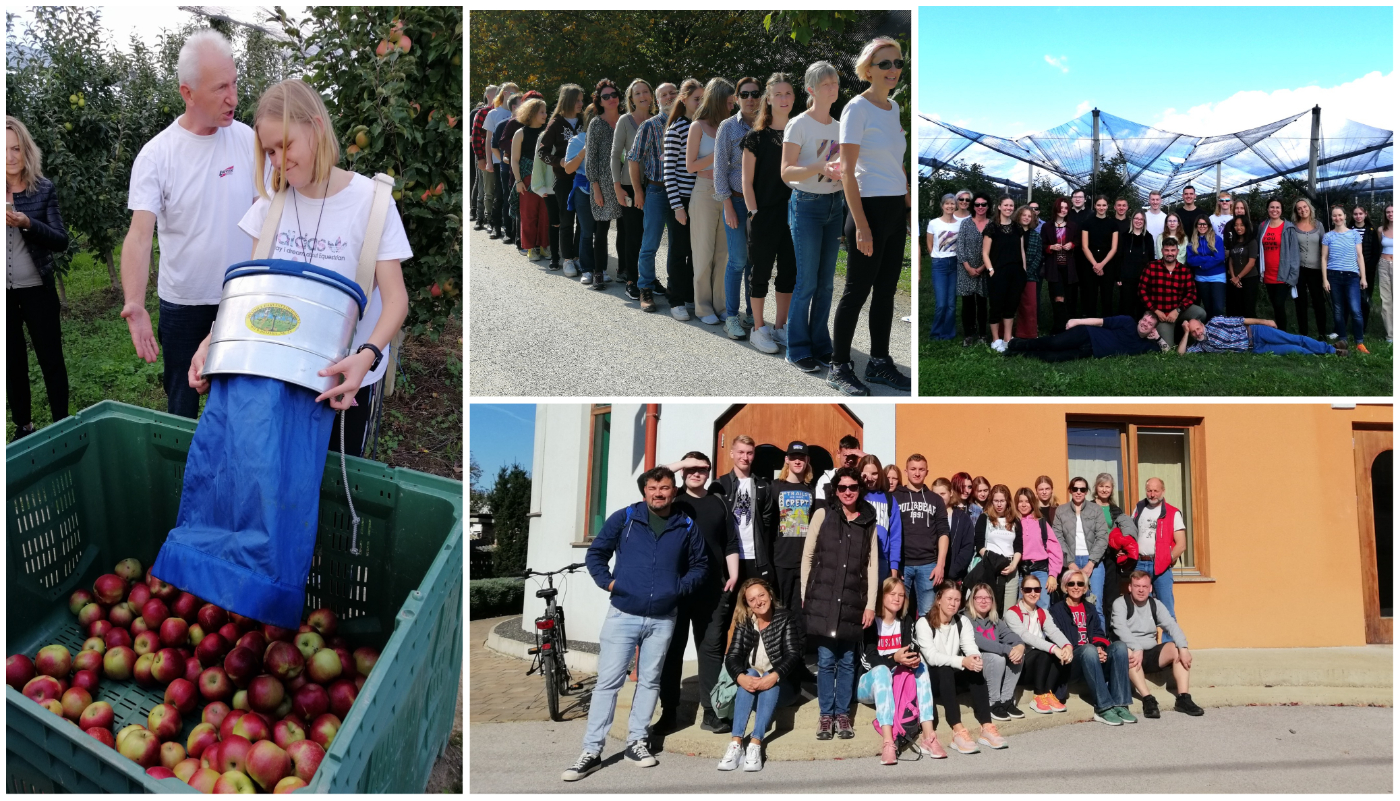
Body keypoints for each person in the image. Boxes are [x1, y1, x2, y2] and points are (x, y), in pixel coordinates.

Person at [187, 79, 410, 458]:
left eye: (285, 145)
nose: (277, 160)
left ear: (317, 128)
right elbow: (249, 294)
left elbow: (396, 300)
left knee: (335, 487)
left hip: (343, 383)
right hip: (276, 375)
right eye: (269, 151)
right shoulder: (272, 205)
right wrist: (214, 341)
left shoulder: (372, 203)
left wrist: (367, 355)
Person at [121, 30, 256, 420]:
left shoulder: (247, 141)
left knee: (236, 398)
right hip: (182, 303)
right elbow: (139, 234)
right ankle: (182, 473)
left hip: (238, 299)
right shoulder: (157, 155)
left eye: (234, 82)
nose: (233, 97)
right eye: (220, 88)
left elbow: (267, 218)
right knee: (182, 401)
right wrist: (134, 301)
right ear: (188, 93)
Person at [563, 466, 708, 781]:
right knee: (608, 683)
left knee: (649, 682)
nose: (659, 493)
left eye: (665, 488)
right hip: (623, 614)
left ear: (674, 490)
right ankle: (591, 750)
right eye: (654, 488)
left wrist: (678, 589)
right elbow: (596, 554)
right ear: (645, 491)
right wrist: (610, 584)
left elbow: (700, 564)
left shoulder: (685, 524)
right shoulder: (625, 518)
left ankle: (636, 742)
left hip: (663, 617)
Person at [831, 36, 911, 394]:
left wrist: (907, 206)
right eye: (885, 64)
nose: (893, 70)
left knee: (886, 292)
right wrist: (860, 225)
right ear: (868, 70)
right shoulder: (856, 109)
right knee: (856, 292)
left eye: (898, 63)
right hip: (868, 210)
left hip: (894, 209)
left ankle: (879, 362)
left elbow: (898, 163)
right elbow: (846, 171)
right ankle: (839, 366)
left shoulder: (893, 109)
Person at [658, 452, 739, 736]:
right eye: (691, 468)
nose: (696, 473)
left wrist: (734, 574)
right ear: (681, 472)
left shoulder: (718, 503)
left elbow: (730, 541)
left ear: (709, 473)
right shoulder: (672, 500)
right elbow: (652, 478)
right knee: (673, 651)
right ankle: (669, 713)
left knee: (710, 651)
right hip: (676, 590)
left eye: (702, 468)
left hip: (712, 591)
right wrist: (682, 463)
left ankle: (712, 712)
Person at [801, 466, 879, 741]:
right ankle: (826, 715)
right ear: (835, 489)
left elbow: (872, 565)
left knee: (847, 660)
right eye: (843, 487)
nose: (848, 492)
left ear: (860, 489)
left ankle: (843, 714)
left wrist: (871, 604)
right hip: (823, 598)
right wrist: (804, 593)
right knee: (825, 659)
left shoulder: (868, 521)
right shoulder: (823, 514)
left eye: (853, 487)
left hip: (852, 600)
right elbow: (808, 556)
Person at [6, 115, 70, 439]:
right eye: (4, 150)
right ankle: (24, 426)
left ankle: (61, 424)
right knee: (11, 362)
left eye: (16, 148)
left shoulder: (42, 189)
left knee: (51, 359)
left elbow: (61, 239)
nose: (10, 157)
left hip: (37, 289)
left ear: (26, 150)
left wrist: (27, 223)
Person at [782, 61, 845, 373]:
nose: (833, 88)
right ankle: (797, 348)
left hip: (835, 205)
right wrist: (819, 167)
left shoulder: (840, 126)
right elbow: (786, 171)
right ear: (811, 89)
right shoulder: (799, 125)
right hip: (806, 205)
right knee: (806, 281)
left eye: (835, 83)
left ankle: (821, 344)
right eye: (826, 84)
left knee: (826, 283)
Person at [720, 578, 805, 772]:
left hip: (783, 687)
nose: (758, 601)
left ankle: (755, 744)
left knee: (768, 676)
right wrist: (740, 677)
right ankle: (736, 744)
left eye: (761, 595)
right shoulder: (745, 622)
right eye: (752, 599)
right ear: (747, 603)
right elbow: (732, 657)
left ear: (770, 595)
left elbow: (793, 655)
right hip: (753, 686)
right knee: (748, 672)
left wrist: (774, 675)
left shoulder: (785, 617)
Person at [858, 578, 943, 763]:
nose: (897, 598)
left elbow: (910, 649)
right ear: (882, 596)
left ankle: (929, 735)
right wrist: (894, 659)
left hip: (897, 683)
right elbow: (867, 660)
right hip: (868, 684)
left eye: (901, 595)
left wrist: (913, 658)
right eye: (892, 594)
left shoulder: (906, 621)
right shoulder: (870, 622)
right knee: (881, 671)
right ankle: (889, 741)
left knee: (921, 667)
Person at [741, 73, 797, 354]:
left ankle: (781, 327)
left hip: (795, 215)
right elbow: (746, 181)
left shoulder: (801, 135)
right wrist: (754, 212)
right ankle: (758, 328)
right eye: (778, 94)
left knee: (789, 273)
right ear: (769, 99)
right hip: (764, 215)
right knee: (760, 273)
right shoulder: (756, 137)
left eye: (788, 93)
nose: (783, 99)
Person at [915, 581, 1006, 753]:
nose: (953, 603)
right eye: (949, 598)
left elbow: (970, 646)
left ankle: (986, 727)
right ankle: (957, 730)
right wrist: (962, 661)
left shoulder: (962, 621)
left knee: (974, 669)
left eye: (957, 600)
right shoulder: (923, 623)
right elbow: (932, 658)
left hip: (952, 676)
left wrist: (974, 659)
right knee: (945, 669)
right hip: (931, 680)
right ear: (939, 599)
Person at [1048, 568, 1135, 725]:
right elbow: (1057, 639)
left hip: (1093, 656)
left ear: (1085, 588)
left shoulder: (1090, 608)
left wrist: (1100, 647)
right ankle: (1103, 708)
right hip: (1072, 663)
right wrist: (1092, 649)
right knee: (1088, 650)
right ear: (1064, 587)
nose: (1076, 587)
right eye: (1071, 583)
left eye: (1080, 583)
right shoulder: (1056, 611)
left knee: (1120, 647)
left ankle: (1121, 704)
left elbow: (1098, 633)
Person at [1112, 570, 1203, 718]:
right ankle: (1148, 699)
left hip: (1151, 652)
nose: (1141, 590)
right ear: (1130, 587)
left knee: (1176, 649)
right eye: (1137, 586)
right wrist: (1137, 647)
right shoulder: (1120, 603)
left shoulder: (1156, 604)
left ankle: (1183, 698)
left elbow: (1171, 625)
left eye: (1144, 586)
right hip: (1131, 653)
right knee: (1126, 650)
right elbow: (1120, 629)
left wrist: (1183, 647)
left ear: (1150, 588)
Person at [629, 81, 684, 313]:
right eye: (664, 94)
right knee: (650, 242)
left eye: (673, 93)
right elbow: (633, 159)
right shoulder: (650, 126)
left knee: (677, 244)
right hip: (656, 190)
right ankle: (645, 287)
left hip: (682, 191)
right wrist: (638, 191)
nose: (669, 97)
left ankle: (675, 288)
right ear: (657, 99)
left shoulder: (687, 123)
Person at [715, 76, 761, 339]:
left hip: (761, 206)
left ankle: (753, 313)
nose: (751, 98)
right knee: (738, 260)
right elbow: (720, 168)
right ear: (736, 98)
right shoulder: (727, 127)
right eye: (745, 94)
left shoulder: (768, 125)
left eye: (755, 93)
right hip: (735, 200)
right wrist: (728, 205)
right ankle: (731, 316)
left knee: (755, 262)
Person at [686, 78, 734, 326]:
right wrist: (718, 154)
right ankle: (703, 307)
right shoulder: (698, 127)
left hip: (726, 191)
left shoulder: (729, 126)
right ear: (717, 101)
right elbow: (690, 165)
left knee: (723, 253)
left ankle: (721, 306)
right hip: (704, 191)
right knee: (703, 252)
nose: (732, 106)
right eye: (728, 102)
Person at [710, 435, 778, 586]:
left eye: (749, 453)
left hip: (755, 556)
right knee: (729, 605)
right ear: (732, 453)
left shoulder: (762, 486)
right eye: (741, 452)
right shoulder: (719, 485)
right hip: (728, 557)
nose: (745, 457)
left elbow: (766, 520)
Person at [663, 79, 704, 319]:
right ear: (684, 99)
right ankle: (675, 299)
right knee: (679, 251)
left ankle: (690, 296)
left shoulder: (701, 126)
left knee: (694, 251)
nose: (699, 103)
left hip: (699, 199)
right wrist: (678, 207)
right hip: (681, 200)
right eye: (696, 98)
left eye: (702, 99)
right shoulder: (677, 128)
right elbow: (669, 172)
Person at [610, 80, 656, 298]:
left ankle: (649, 277)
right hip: (629, 185)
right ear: (631, 99)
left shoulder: (659, 120)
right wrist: (617, 187)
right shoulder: (625, 121)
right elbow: (615, 154)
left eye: (646, 91)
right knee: (633, 234)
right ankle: (632, 278)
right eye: (637, 93)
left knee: (651, 235)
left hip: (655, 184)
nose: (642, 95)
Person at [1004, 575, 1073, 714]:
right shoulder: (1012, 613)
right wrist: (1054, 649)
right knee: (1045, 652)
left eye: (1036, 589)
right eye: (1028, 589)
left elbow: (1053, 631)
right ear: (1022, 591)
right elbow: (1025, 636)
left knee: (1057, 653)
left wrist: (1067, 646)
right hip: (1020, 664)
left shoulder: (1043, 612)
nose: (1033, 593)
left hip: (1040, 664)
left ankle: (1048, 693)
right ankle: (1038, 695)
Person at [893, 454, 950, 616]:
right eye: (913, 469)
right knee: (899, 612)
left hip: (928, 565)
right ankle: (903, 641)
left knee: (928, 613)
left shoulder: (935, 500)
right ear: (906, 471)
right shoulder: (896, 496)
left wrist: (940, 565)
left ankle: (923, 642)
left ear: (927, 472)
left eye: (921, 469)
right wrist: (894, 565)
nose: (917, 473)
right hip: (902, 564)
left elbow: (943, 533)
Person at [1131, 477, 1185, 643]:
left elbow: (1181, 544)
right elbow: (1130, 533)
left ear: (1163, 491)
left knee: (1166, 609)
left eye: (1156, 490)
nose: (1152, 494)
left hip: (1161, 565)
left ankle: (1169, 650)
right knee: (1139, 608)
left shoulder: (1173, 512)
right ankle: (1143, 647)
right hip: (1140, 563)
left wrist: (1166, 560)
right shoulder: (1139, 508)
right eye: (1149, 490)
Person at [583, 80, 625, 290]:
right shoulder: (596, 124)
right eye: (605, 96)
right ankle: (598, 272)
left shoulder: (627, 120)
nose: (611, 99)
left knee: (626, 230)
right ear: (599, 101)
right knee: (601, 229)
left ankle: (623, 270)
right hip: (604, 184)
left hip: (626, 182)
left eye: (613, 94)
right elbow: (590, 159)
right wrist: (596, 187)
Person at [538, 84, 584, 272]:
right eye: (578, 100)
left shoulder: (584, 120)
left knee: (583, 221)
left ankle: (578, 255)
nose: (581, 103)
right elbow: (542, 152)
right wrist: (560, 161)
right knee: (566, 220)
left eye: (582, 100)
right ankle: (567, 259)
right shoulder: (555, 123)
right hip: (564, 180)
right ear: (568, 101)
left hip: (583, 178)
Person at [964, 582, 1026, 720]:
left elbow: (1009, 635)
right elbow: (979, 641)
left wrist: (1020, 646)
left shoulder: (995, 619)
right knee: (998, 657)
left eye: (987, 598)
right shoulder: (965, 618)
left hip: (992, 664)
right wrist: (1008, 649)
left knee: (1018, 654)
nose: (984, 601)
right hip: (974, 664)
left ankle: (1006, 700)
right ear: (972, 600)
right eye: (979, 597)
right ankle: (993, 702)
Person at [1005, 312, 1167, 362]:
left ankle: (1017, 354)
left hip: (1089, 351)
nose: (1145, 324)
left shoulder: (1146, 345)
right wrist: (1077, 321)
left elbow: (1170, 353)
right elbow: (1100, 322)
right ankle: (1017, 344)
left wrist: (1158, 338)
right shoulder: (1127, 322)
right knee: (1054, 342)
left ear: (1153, 329)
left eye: (1150, 324)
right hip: (1087, 334)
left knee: (1052, 357)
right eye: (1144, 319)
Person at [1050, 476, 1107, 614]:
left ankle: (1096, 636)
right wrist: (1070, 562)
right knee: (1071, 603)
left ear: (1087, 491)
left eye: (1082, 489)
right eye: (1075, 489)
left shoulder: (1096, 510)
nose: (1078, 492)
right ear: (1070, 490)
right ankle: (1074, 635)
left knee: (1095, 603)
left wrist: (1091, 562)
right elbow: (1057, 538)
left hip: (1094, 562)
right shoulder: (1061, 511)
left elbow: (1102, 537)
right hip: (1071, 559)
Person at [771, 441, 816, 611]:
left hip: (804, 561)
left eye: (801, 458)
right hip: (781, 560)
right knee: (780, 610)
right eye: (793, 457)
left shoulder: (812, 489)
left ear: (807, 461)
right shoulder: (775, 487)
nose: (797, 461)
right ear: (786, 460)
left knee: (800, 613)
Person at [1138, 237, 1206, 348]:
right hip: (1161, 315)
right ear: (1162, 251)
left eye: (1173, 250)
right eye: (1167, 250)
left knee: (1201, 313)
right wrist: (1155, 310)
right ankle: (1170, 334)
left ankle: (1187, 337)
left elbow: (1192, 293)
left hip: (1178, 311)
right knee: (1167, 345)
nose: (1170, 253)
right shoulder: (1151, 267)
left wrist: (1178, 310)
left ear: (1177, 251)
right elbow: (1142, 291)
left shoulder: (1184, 270)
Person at [981, 196, 1027, 353]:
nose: (1009, 208)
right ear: (999, 207)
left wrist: (1024, 270)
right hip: (998, 272)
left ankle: (1008, 338)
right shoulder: (992, 228)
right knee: (996, 306)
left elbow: (1021, 251)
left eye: (1011, 205)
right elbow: (985, 253)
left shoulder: (1017, 228)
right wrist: (991, 270)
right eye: (1006, 205)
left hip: (1016, 273)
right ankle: (995, 339)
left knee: (1011, 305)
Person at [1089, 473, 1137, 617]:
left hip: (1111, 556)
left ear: (1112, 489)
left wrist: (1122, 550)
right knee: (1095, 596)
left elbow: (1121, 532)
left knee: (1112, 595)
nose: (1104, 489)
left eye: (1107, 487)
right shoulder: (1088, 507)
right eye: (1101, 486)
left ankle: (1111, 634)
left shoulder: (1116, 510)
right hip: (1094, 556)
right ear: (1096, 488)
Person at [968, 484, 1021, 614]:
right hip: (990, 566)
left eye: (1002, 501)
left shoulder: (1015, 520)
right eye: (996, 501)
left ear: (1007, 501)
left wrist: (1014, 565)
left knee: (1009, 611)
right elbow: (979, 544)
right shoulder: (984, 518)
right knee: (991, 608)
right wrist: (993, 560)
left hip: (1011, 567)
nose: (999, 504)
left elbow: (1019, 546)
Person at [1323, 205, 1369, 353]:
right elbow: (1323, 258)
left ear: (1345, 216)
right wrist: (1325, 279)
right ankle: (1342, 339)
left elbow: (1360, 256)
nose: (1337, 218)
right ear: (1332, 218)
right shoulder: (1328, 236)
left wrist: (1363, 277)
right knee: (1338, 310)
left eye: (1340, 215)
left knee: (1356, 310)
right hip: (1334, 276)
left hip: (1351, 276)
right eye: (1334, 216)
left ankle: (1359, 341)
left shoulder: (1354, 234)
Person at [509, 98, 551, 260]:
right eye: (542, 111)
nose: (545, 114)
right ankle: (530, 248)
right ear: (532, 113)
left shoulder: (547, 132)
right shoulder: (520, 133)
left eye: (545, 111)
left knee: (545, 213)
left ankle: (543, 246)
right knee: (528, 215)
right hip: (526, 178)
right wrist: (518, 181)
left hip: (545, 177)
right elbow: (514, 159)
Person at [1179, 315, 1341, 356]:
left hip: (1256, 332)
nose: (1197, 333)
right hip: (1255, 348)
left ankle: (1331, 350)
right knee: (1294, 349)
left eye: (1197, 328)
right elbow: (1181, 354)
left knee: (1294, 339)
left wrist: (1265, 322)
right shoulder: (1201, 346)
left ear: (1202, 325)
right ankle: (1319, 353)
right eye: (1193, 332)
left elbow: (1242, 320)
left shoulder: (1215, 322)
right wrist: (1186, 332)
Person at [482, 82, 520, 240]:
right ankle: (496, 226)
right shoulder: (493, 114)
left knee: (511, 194)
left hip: (514, 161)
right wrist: (489, 161)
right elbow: (489, 140)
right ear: (504, 93)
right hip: (499, 162)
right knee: (499, 194)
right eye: (512, 93)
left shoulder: (520, 114)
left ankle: (510, 227)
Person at [1013, 488, 1061, 611]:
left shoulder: (1041, 523)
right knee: (1022, 608)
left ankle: (1043, 631)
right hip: (1021, 572)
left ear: (1032, 503)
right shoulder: (1013, 523)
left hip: (1041, 571)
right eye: (1020, 501)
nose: (1023, 505)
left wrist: (1053, 575)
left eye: (1027, 501)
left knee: (1044, 607)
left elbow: (1054, 549)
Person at [857, 454, 903, 579]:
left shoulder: (889, 500)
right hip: (857, 558)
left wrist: (894, 567)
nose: (870, 478)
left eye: (875, 473)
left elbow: (895, 536)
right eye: (865, 474)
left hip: (882, 560)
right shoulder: (855, 496)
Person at [1286, 198, 1327, 337]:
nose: (1303, 210)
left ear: (1309, 208)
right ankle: (1303, 332)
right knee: (1300, 301)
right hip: (1300, 269)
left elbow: (1325, 247)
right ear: (1296, 211)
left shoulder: (1319, 225)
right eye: (1299, 208)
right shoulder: (1293, 226)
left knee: (1318, 301)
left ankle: (1322, 333)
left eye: (1305, 207)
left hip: (1316, 269)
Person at [1258, 198, 1300, 331]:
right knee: (1275, 305)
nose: (1274, 210)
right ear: (1267, 209)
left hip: (1283, 274)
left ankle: (1282, 333)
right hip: (1268, 274)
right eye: (1272, 207)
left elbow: (1294, 253)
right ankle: (1278, 332)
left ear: (1281, 210)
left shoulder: (1288, 228)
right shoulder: (1263, 226)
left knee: (1278, 303)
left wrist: (1293, 276)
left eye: (1277, 207)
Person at [956, 192, 991, 346]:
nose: (980, 207)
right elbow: (960, 247)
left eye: (983, 204)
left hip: (984, 269)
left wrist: (983, 267)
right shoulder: (965, 223)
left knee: (982, 304)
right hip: (966, 270)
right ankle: (968, 334)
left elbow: (993, 249)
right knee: (968, 303)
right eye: (977, 204)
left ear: (988, 206)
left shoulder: (992, 224)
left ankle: (983, 334)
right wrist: (968, 267)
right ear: (973, 206)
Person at [564, 109, 596, 281]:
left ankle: (600, 269)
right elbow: (568, 168)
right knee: (586, 230)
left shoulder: (611, 135)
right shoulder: (576, 140)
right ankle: (586, 269)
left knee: (601, 232)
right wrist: (583, 151)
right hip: (583, 188)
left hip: (605, 187)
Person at [1041, 197, 1080, 333]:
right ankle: (1058, 327)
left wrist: (1072, 244)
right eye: (1061, 207)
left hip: (1069, 268)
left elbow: (1078, 241)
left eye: (1066, 208)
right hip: (1054, 267)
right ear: (1056, 208)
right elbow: (1043, 245)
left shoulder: (1073, 226)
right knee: (1058, 298)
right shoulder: (1047, 226)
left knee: (1069, 299)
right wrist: (1051, 247)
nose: (1063, 210)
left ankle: (1070, 328)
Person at [926, 193, 961, 341]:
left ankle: (948, 333)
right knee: (941, 303)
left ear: (956, 206)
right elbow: (929, 243)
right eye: (947, 203)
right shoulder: (934, 223)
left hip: (954, 264)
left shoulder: (959, 223)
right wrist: (934, 255)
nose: (950, 206)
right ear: (942, 205)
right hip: (939, 265)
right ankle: (936, 333)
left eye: (952, 204)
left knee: (951, 303)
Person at [1079, 196, 1119, 319]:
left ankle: (1107, 325)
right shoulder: (1087, 223)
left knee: (1107, 297)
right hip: (1090, 264)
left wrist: (1102, 264)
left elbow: (1114, 248)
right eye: (1099, 205)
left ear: (1107, 206)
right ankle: (1090, 325)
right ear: (1095, 206)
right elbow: (1085, 246)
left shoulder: (1113, 224)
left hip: (1107, 264)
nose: (1101, 208)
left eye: (1104, 205)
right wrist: (1095, 264)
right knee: (1090, 297)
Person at [932, 477, 976, 585]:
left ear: (951, 493)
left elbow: (967, 547)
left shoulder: (962, 518)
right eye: (935, 495)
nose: (939, 498)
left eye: (943, 493)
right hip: (930, 574)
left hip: (954, 577)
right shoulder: (928, 516)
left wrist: (953, 571)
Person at [1184, 214, 1226, 317]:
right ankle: (1210, 329)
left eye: (1204, 224)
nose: (1202, 226)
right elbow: (1190, 260)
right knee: (1208, 307)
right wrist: (1207, 258)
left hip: (1217, 277)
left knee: (1218, 307)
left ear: (1209, 225)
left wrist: (1203, 266)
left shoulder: (1217, 239)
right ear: (1196, 226)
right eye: (1200, 224)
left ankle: (1220, 328)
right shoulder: (1192, 242)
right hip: (1201, 278)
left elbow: (1220, 257)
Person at [470, 85, 499, 230]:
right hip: (482, 154)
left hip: (497, 156)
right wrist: (480, 158)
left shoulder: (502, 112)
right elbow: (475, 136)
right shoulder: (483, 113)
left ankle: (492, 217)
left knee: (494, 189)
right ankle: (480, 218)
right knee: (482, 187)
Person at [1015, 204, 1045, 339]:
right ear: (1019, 216)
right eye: (1024, 215)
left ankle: (1028, 334)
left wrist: (1027, 272)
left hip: (1030, 275)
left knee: (1030, 306)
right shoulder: (1012, 233)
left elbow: (1039, 255)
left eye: (1029, 216)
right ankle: (1005, 334)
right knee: (1010, 305)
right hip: (1012, 275)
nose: (1026, 218)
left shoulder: (1036, 236)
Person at [1351, 205, 1382, 330]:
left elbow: (1376, 252)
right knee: (1353, 298)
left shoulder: (1372, 230)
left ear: (1365, 214)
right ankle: (1353, 324)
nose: (1358, 216)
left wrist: (1365, 270)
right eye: (1355, 214)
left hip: (1368, 271)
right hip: (1351, 269)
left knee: (1365, 298)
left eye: (1360, 213)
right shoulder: (1349, 230)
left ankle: (1363, 326)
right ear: (1352, 216)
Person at [1223, 210, 1259, 318]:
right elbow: (1231, 260)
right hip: (1235, 280)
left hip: (1249, 279)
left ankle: (1251, 332)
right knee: (1236, 308)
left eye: (1242, 225)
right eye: (1236, 225)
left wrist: (1238, 277)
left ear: (1246, 226)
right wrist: (1233, 277)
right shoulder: (1234, 242)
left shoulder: (1252, 242)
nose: (1239, 228)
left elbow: (1251, 262)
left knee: (1248, 309)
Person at [1119, 211, 1153, 321]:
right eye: (1136, 218)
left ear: (1144, 222)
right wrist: (1119, 276)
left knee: (1141, 306)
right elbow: (1119, 257)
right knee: (1126, 305)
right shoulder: (1124, 236)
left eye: (1141, 219)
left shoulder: (1148, 237)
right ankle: (1125, 328)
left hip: (1143, 279)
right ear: (1132, 220)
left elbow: (1151, 259)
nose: (1138, 221)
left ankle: (1140, 329)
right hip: (1127, 277)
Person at [814, 434, 864, 503]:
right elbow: (820, 507)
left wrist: (866, 457)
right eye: (847, 456)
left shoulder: (863, 478)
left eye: (854, 456)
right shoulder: (825, 479)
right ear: (838, 453)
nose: (850, 460)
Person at [1379, 204, 1394, 342]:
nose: (1390, 214)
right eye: (1388, 212)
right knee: (1386, 300)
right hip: (1383, 265)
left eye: (1393, 212)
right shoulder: (1381, 230)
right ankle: (1391, 335)